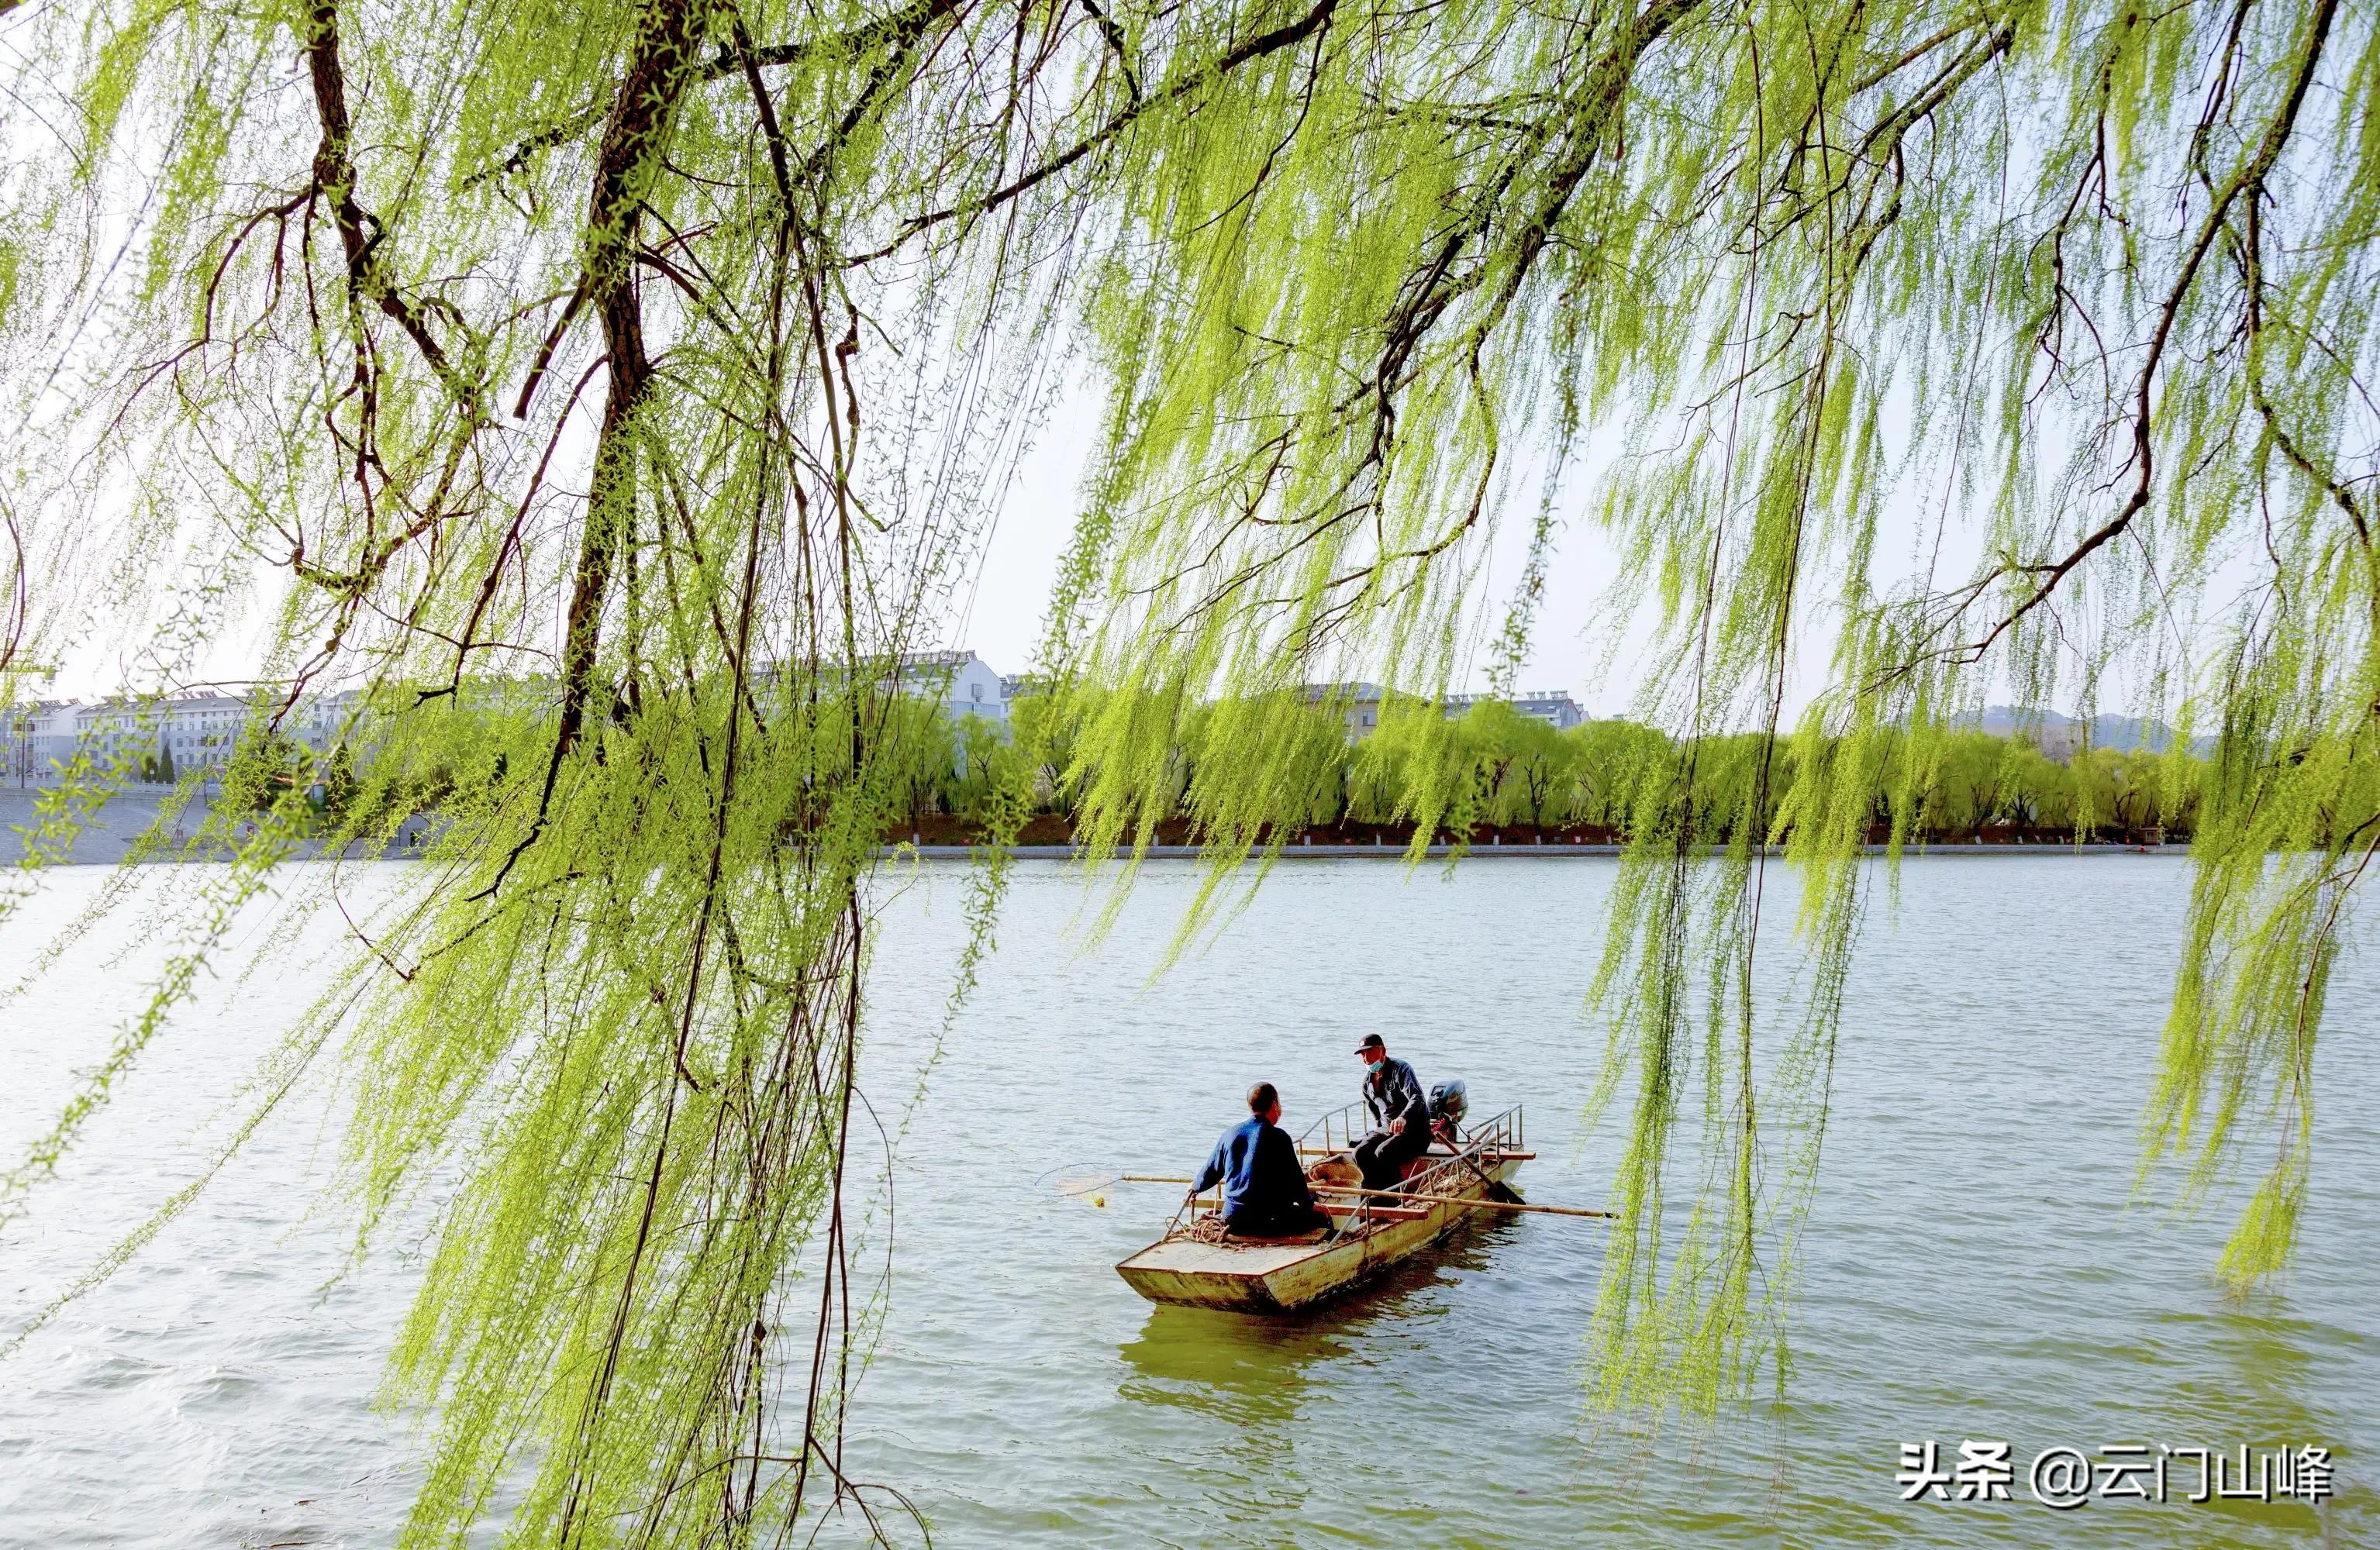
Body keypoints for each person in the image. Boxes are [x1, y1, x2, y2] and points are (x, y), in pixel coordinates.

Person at [1191, 1082, 1332, 1238]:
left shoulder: (1230, 1134)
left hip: (1233, 1218)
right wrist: (1311, 1205)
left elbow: (1210, 1172)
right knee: (1321, 1217)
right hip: (1267, 1220)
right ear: (1274, 1105)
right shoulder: (1280, 1138)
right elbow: (1296, 1185)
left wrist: (1195, 1188)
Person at [1351, 1033, 1430, 1192]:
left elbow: (1417, 1097)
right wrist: (1375, 1134)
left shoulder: (1401, 1069)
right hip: (1388, 1129)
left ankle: (1396, 1196)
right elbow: (1376, 1115)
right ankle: (1374, 1193)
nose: (1367, 1059)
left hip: (1415, 1131)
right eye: (1363, 1055)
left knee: (1383, 1152)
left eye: (1370, 1052)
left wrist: (1403, 1118)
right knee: (1359, 1152)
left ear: (1383, 1050)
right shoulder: (1367, 1084)